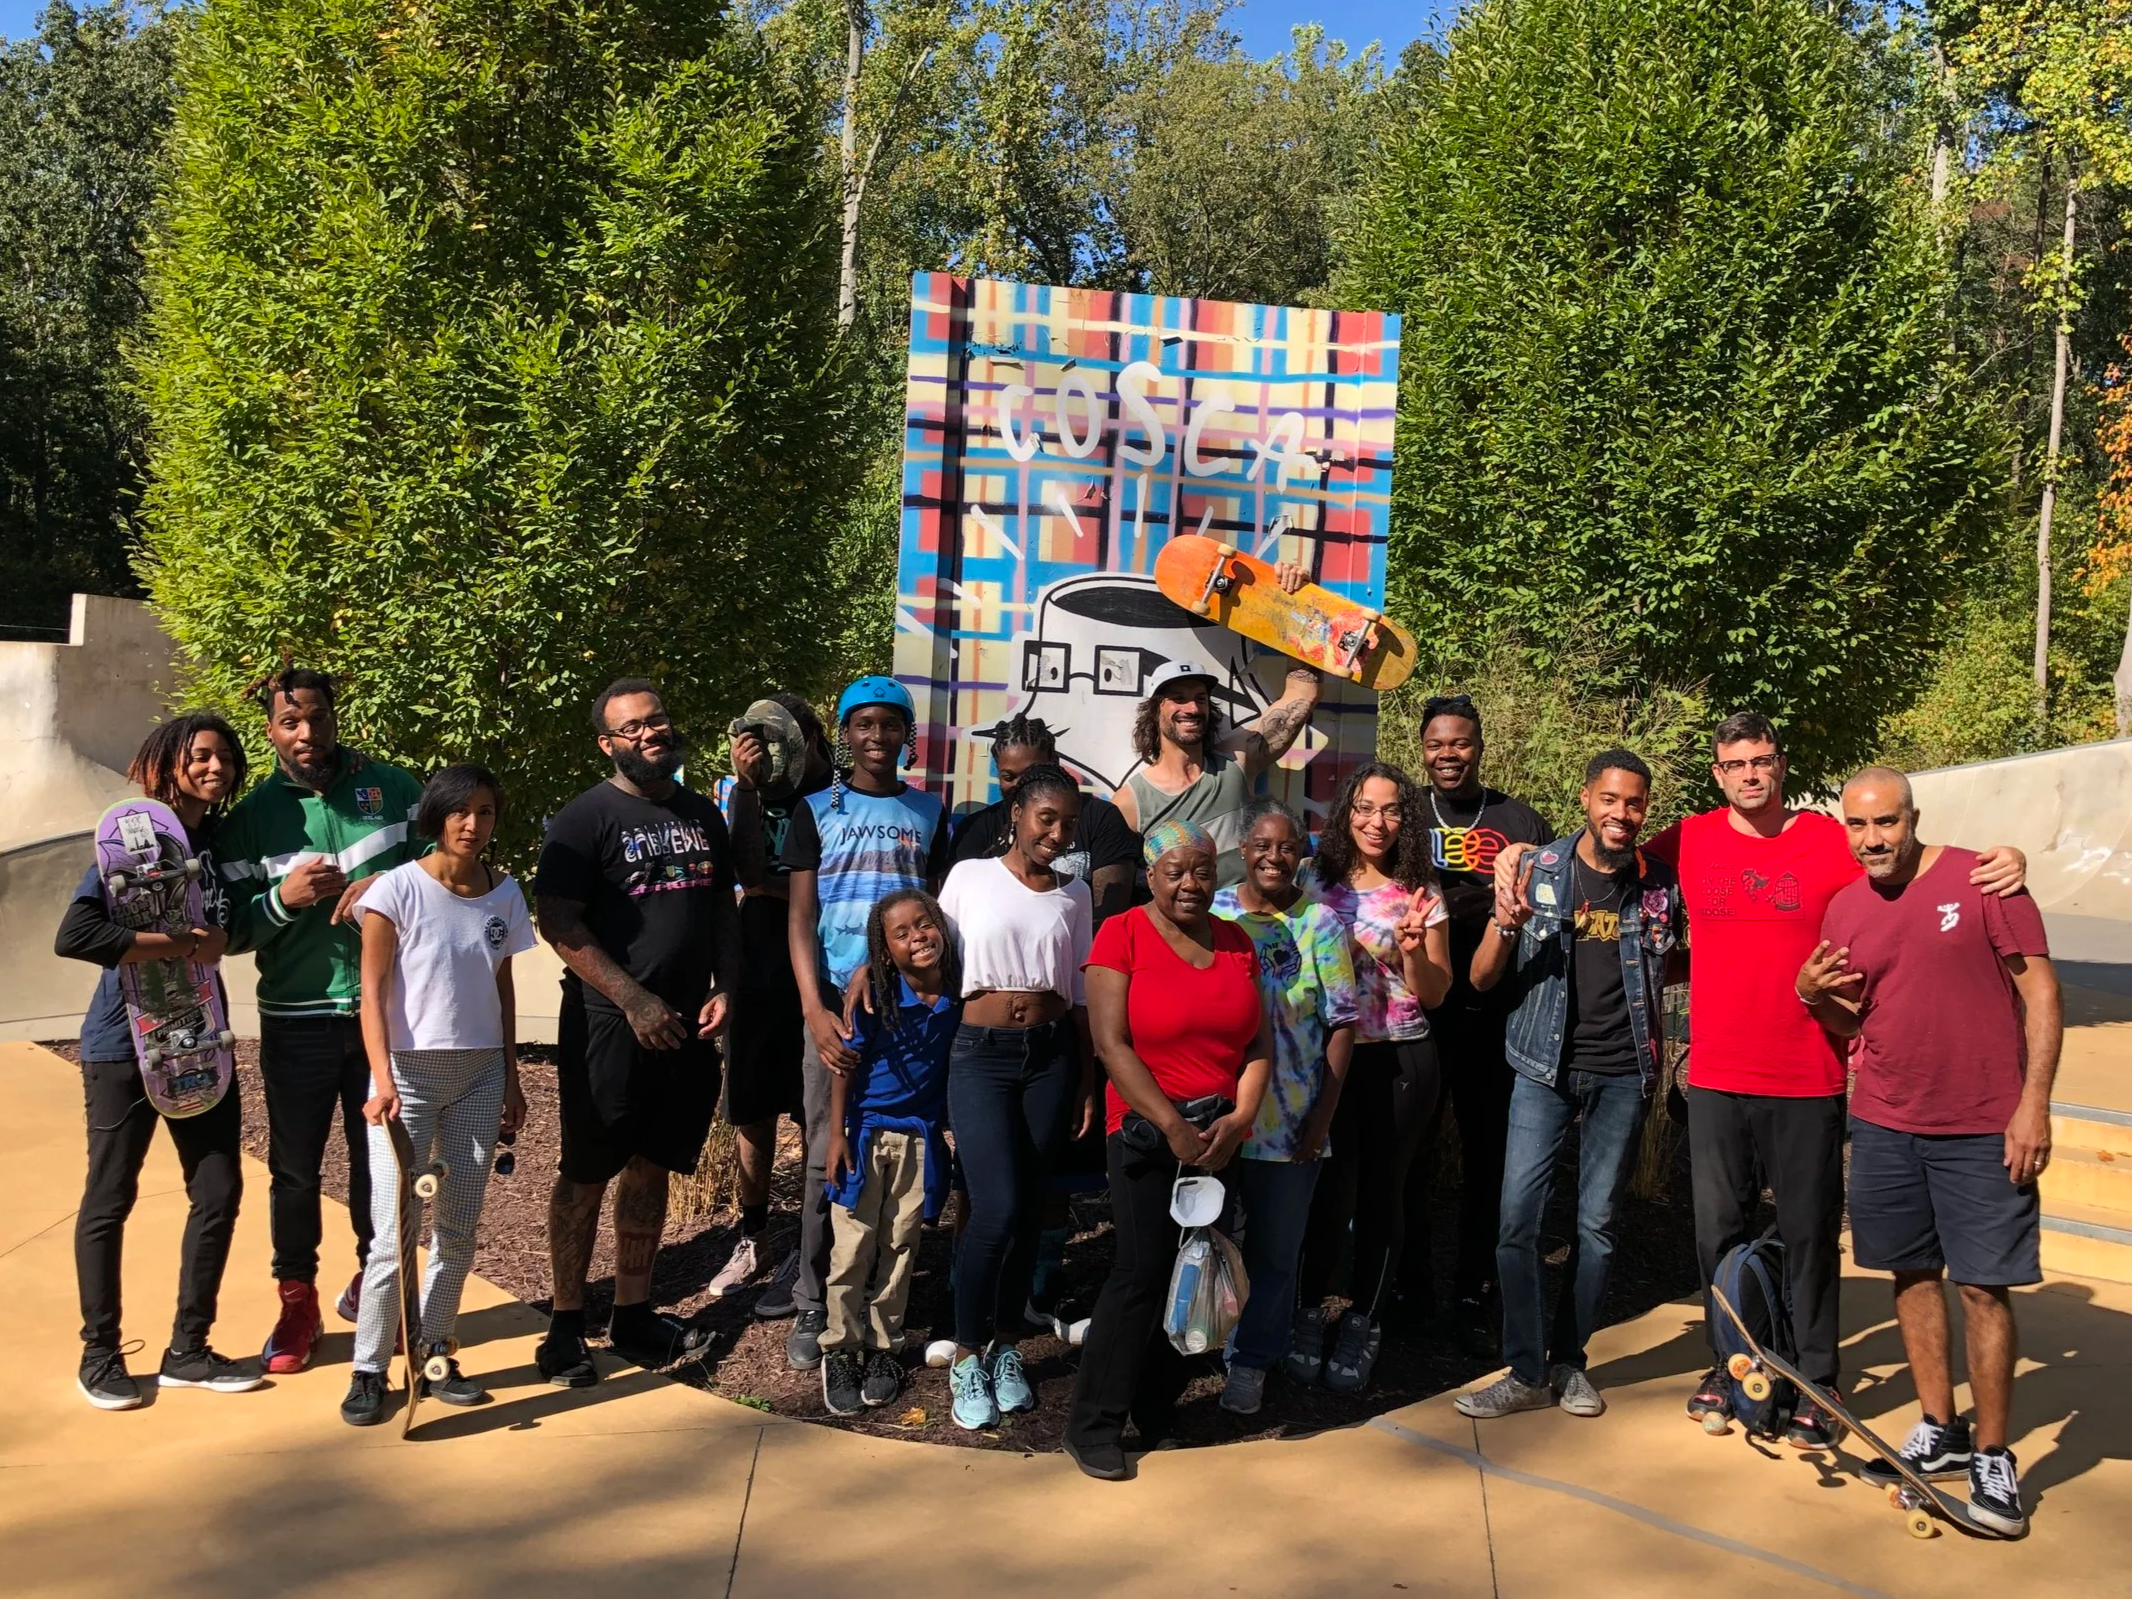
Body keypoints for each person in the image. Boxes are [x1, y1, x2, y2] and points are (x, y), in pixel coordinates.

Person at [1494, 712, 2027, 1443]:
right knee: (1719, 1232)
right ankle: (1732, 1363)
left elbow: (1899, 859)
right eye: (1736, 762)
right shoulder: (1687, 841)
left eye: (1763, 760)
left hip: (1807, 1071)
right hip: (1715, 1072)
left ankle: (1817, 1377)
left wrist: (1996, 860)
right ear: (1718, 773)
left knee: (1808, 1233)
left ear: (1780, 765)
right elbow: (1599, 858)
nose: (1751, 773)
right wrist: (1516, 854)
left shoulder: (1824, 841)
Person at [1795, 766, 2058, 1536]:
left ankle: (1993, 1453)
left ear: (1913, 817)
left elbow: (2040, 989)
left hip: (1982, 1122)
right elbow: (1853, 1018)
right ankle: (1937, 1426)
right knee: (1910, 1274)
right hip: (1884, 1120)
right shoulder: (1844, 907)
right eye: (1858, 825)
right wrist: (1812, 991)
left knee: (1982, 1287)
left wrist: (2033, 1102)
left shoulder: (1984, 880)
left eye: (1886, 822)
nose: (1873, 839)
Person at [1455, 750, 1686, 1422]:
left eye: (1634, 803)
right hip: (1541, 1069)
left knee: (1598, 1227)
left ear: (1646, 808)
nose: (1621, 814)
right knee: (1517, 1221)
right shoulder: (1536, 869)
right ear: (1586, 798)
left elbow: (1670, 963)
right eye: (1609, 799)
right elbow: (1481, 978)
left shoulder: (1660, 886)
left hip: (1623, 1075)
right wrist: (1507, 922)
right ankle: (1525, 1370)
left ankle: (1569, 1362)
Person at [217, 668, 426, 1374]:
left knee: (383, 1164)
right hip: (296, 1020)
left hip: (384, 1014)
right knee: (296, 1170)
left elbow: (446, 862)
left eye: (316, 716)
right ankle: (297, 1300)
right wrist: (284, 897)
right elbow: (229, 931)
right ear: (271, 730)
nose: (306, 733)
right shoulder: (250, 816)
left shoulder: (392, 788)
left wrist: (389, 883)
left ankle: (380, 1288)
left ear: (334, 715)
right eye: (289, 722)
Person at [532, 678, 741, 1384]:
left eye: (658, 720)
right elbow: (558, 920)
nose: (651, 733)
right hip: (610, 1025)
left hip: (686, 1025)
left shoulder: (703, 815)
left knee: (651, 1166)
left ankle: (633, 1310)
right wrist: (631, 999)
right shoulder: (583, 817)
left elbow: (720, 911)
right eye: (633, 727)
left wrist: (727, 986)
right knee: (587, 1174)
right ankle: (564, 1326)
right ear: (608, 743)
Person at [58, 713, 262, 1409]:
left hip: (199, 1039)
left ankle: (188, 1349)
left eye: (225, 757)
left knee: (218, 1190)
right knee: (110, 1195)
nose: (215, 766)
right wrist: (178, 940)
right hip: (123, 1042)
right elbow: (78, 932)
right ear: (169, 761)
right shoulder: (133, 843)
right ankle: (99, 1354)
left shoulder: (218, 844)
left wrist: (215, 940)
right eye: (200, 755)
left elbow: (222, 931)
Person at [1061, 821, 1273, 1481]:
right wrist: (1173, 1126)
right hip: (1146, 1133)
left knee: (1194, 1273)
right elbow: (1110, 1042)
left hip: (1219, 1135)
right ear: (1151, 873)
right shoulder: (1120, 933)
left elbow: (1258, 1044)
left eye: (1203, 869)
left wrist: (1239, 1117)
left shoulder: (1237, 941)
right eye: (1176, 870)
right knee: (1142, 1270)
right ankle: (1094, 1420)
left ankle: (1156, 1404)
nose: (1191, 882)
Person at [339, 764, 536, 1425]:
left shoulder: (504, 894)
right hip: (407, 1078)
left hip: (478, 1073)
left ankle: (434, 1353)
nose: (472, 824)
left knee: (457, 1228)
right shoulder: (395, 891)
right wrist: (383, 1080)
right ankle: (369, 1366)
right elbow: (370, 993)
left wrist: (510, 1074)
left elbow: (500, 988)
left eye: (485, 811)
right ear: (437, 815)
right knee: (394, 1233)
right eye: (460, 811)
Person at [778, 675, 951, 1370]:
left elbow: (939, 911)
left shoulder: (930, 812)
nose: (876, 737)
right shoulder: (815, 810)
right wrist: (812, 1009)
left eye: (889, 725)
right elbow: (797, 917)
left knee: (903, 1159)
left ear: (906, 734)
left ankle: (884, 1300)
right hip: (834, 1010)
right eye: (862, 725)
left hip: (908, 1014)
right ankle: (813, 1298)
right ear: (843, 733)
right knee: (832, 1146)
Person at [934, 763, 1096, 1429]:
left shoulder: (1076, 894)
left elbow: (1082, 996)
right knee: (993, 1208)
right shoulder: (970, 876)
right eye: (1045, 818)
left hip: (1052, 1057)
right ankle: (967, 1350)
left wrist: (1086, 1078)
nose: (1056, 833)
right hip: (982, 1057)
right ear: (1018, 815)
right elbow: (931, 960)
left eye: (1067, 823)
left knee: (1029, 1209)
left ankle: (1005, 1347)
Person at [1290, 761, 1452, 1394]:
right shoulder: (1314, 879)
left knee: (1384, 1194)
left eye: (1390, 810)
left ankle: (1365, 1320)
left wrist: (1411, 949)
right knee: (1329, 1192)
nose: (1376, 822)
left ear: (1406, 818)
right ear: (1345, 814)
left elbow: (1436, 993)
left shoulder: (1421, 891)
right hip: (1326, 1058)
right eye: (1363, 808)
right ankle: (1307, 1311)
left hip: (1400, 1057)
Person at [1404, 693, 1553, 1355]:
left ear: (1480, 745)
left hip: (1497, 1017)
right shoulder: (1404, 812)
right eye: (1437, 744)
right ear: (1423, 748)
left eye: (1459, 743)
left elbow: (1547, 908)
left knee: (1488, 1159)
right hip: (1419, 1013)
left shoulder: (1518, 817)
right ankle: (1408, 1286)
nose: (1448, 755)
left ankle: (1473, 1286)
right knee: (1411, 1155)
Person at [1210, 797, 1358, 1416]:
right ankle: (1202, 1338)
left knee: (1274, 1248)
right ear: (1243, 851)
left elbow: (1343, 1023)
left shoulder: (1320, 924)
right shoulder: (1212, 911)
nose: (1274, 857)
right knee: (1208, 1239)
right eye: (1262, 846)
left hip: (1289, 1117)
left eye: (1287, 847)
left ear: (1303, 855)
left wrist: (1322, 1117)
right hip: (1213, 1111)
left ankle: (1251, 1360)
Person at [710, 693, 835, 1306]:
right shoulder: (748, 793)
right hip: (760, 967)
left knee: (815, 1112)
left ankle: (809, 1243)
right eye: (758, 738)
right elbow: (748, 872)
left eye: (783, 738)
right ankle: (753, 1234)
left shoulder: (841, 792)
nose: (774, 752)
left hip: (821, 968)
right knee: (752, 1109)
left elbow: (835, 886)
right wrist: (748, 787)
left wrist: (789, 895)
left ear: (814, 737)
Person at [819, 890, 961, 1417]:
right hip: (865, 1136)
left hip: (921, 1139)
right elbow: (844, 1063)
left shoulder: (959, 991)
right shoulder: (876, 995)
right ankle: (841, 1347)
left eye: (924, 925)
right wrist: (836, 1135)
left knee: (902, 1244)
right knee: (853, 1247)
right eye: (900, 934)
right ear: (885, 949)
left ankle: (885, 1346)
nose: (917, 937)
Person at [1110, 624, 1321, 889]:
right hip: (1182, 927)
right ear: (1155, 710)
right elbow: (1121, 884)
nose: (1192, 708)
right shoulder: (1132, 802)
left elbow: (1302, 695)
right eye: (1178, 698)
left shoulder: (1237, 762)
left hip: (1246, 922)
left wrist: (1301, 612)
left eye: (1200, 698)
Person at [949, 713, 1139, 928]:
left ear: (1054, 763)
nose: (1021, 785)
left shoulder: (1100, 818)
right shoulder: (977, 829)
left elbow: (1109, 915)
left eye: (1033, 773)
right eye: (1009, 777)